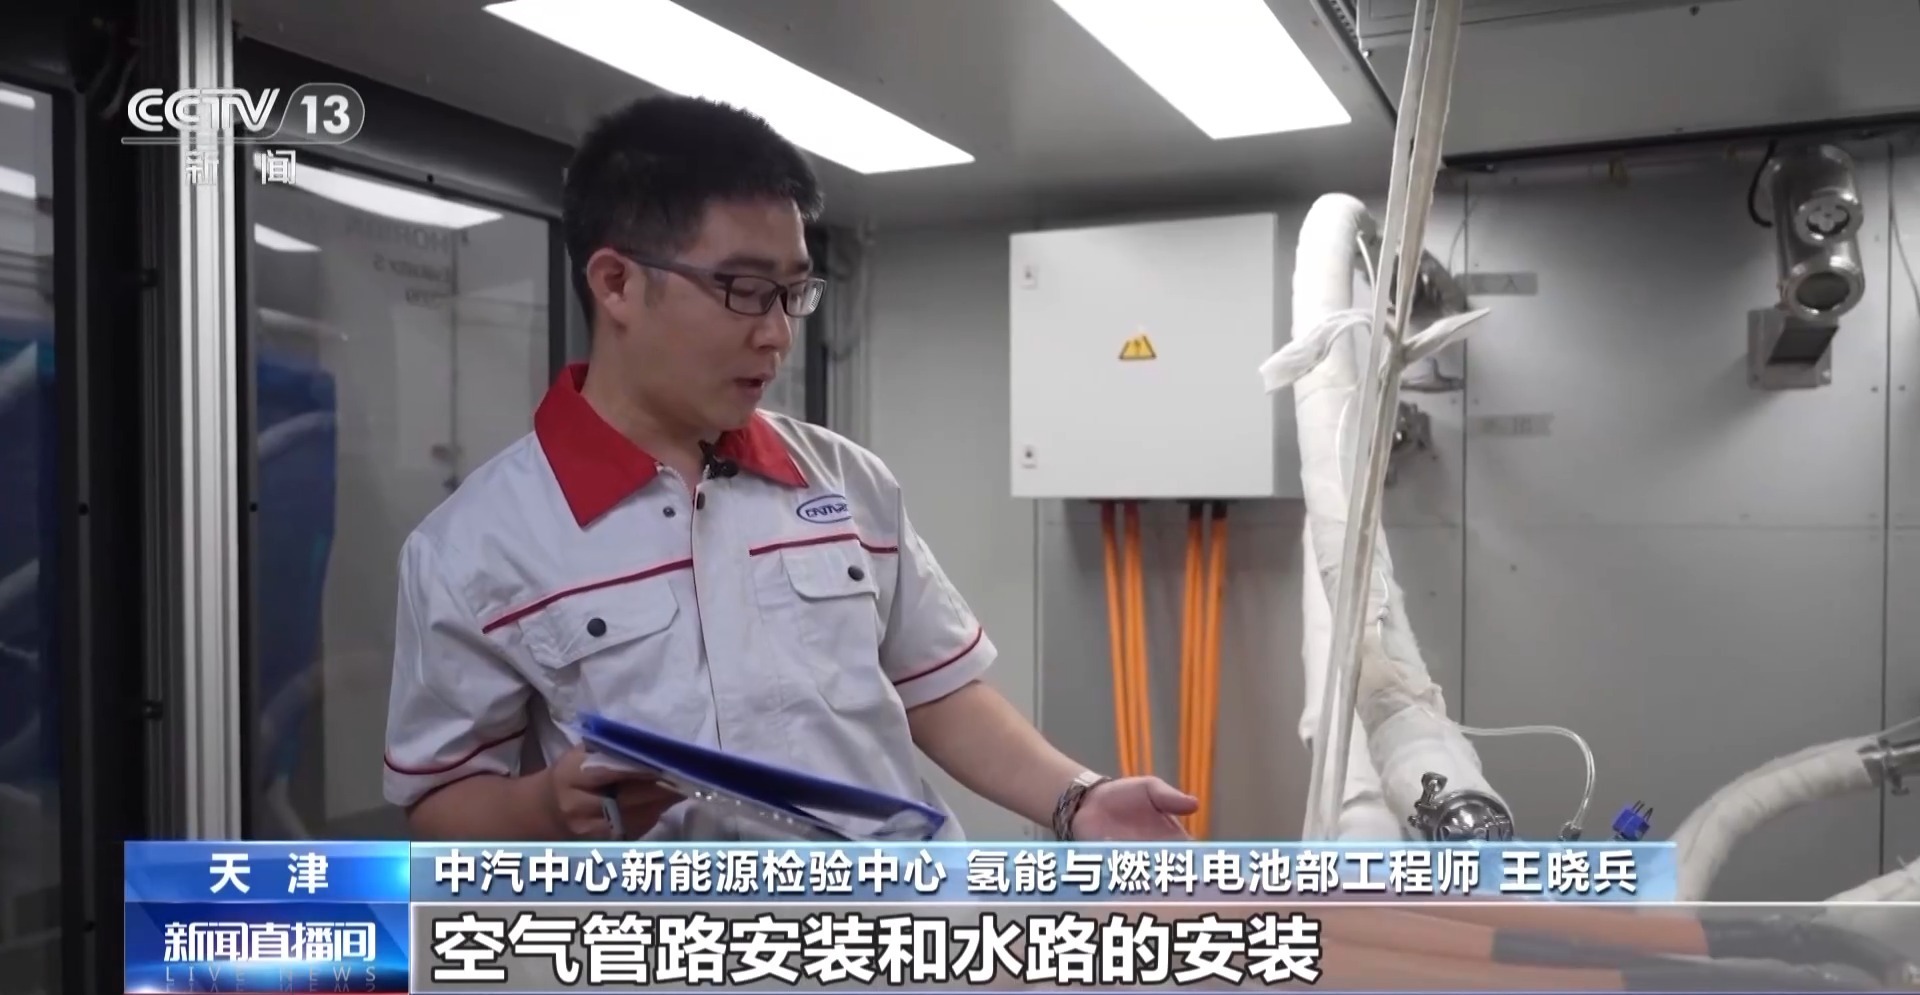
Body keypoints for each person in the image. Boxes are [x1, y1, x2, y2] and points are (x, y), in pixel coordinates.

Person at [381, 94, 1197, 844]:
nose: (776, 333)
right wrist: (541, 807)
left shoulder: (844, 480)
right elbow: (440, 798)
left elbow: (937, 688)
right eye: (744, 289)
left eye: (793, 293)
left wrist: (1079, 797)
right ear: (617, 282)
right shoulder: (475, 545)